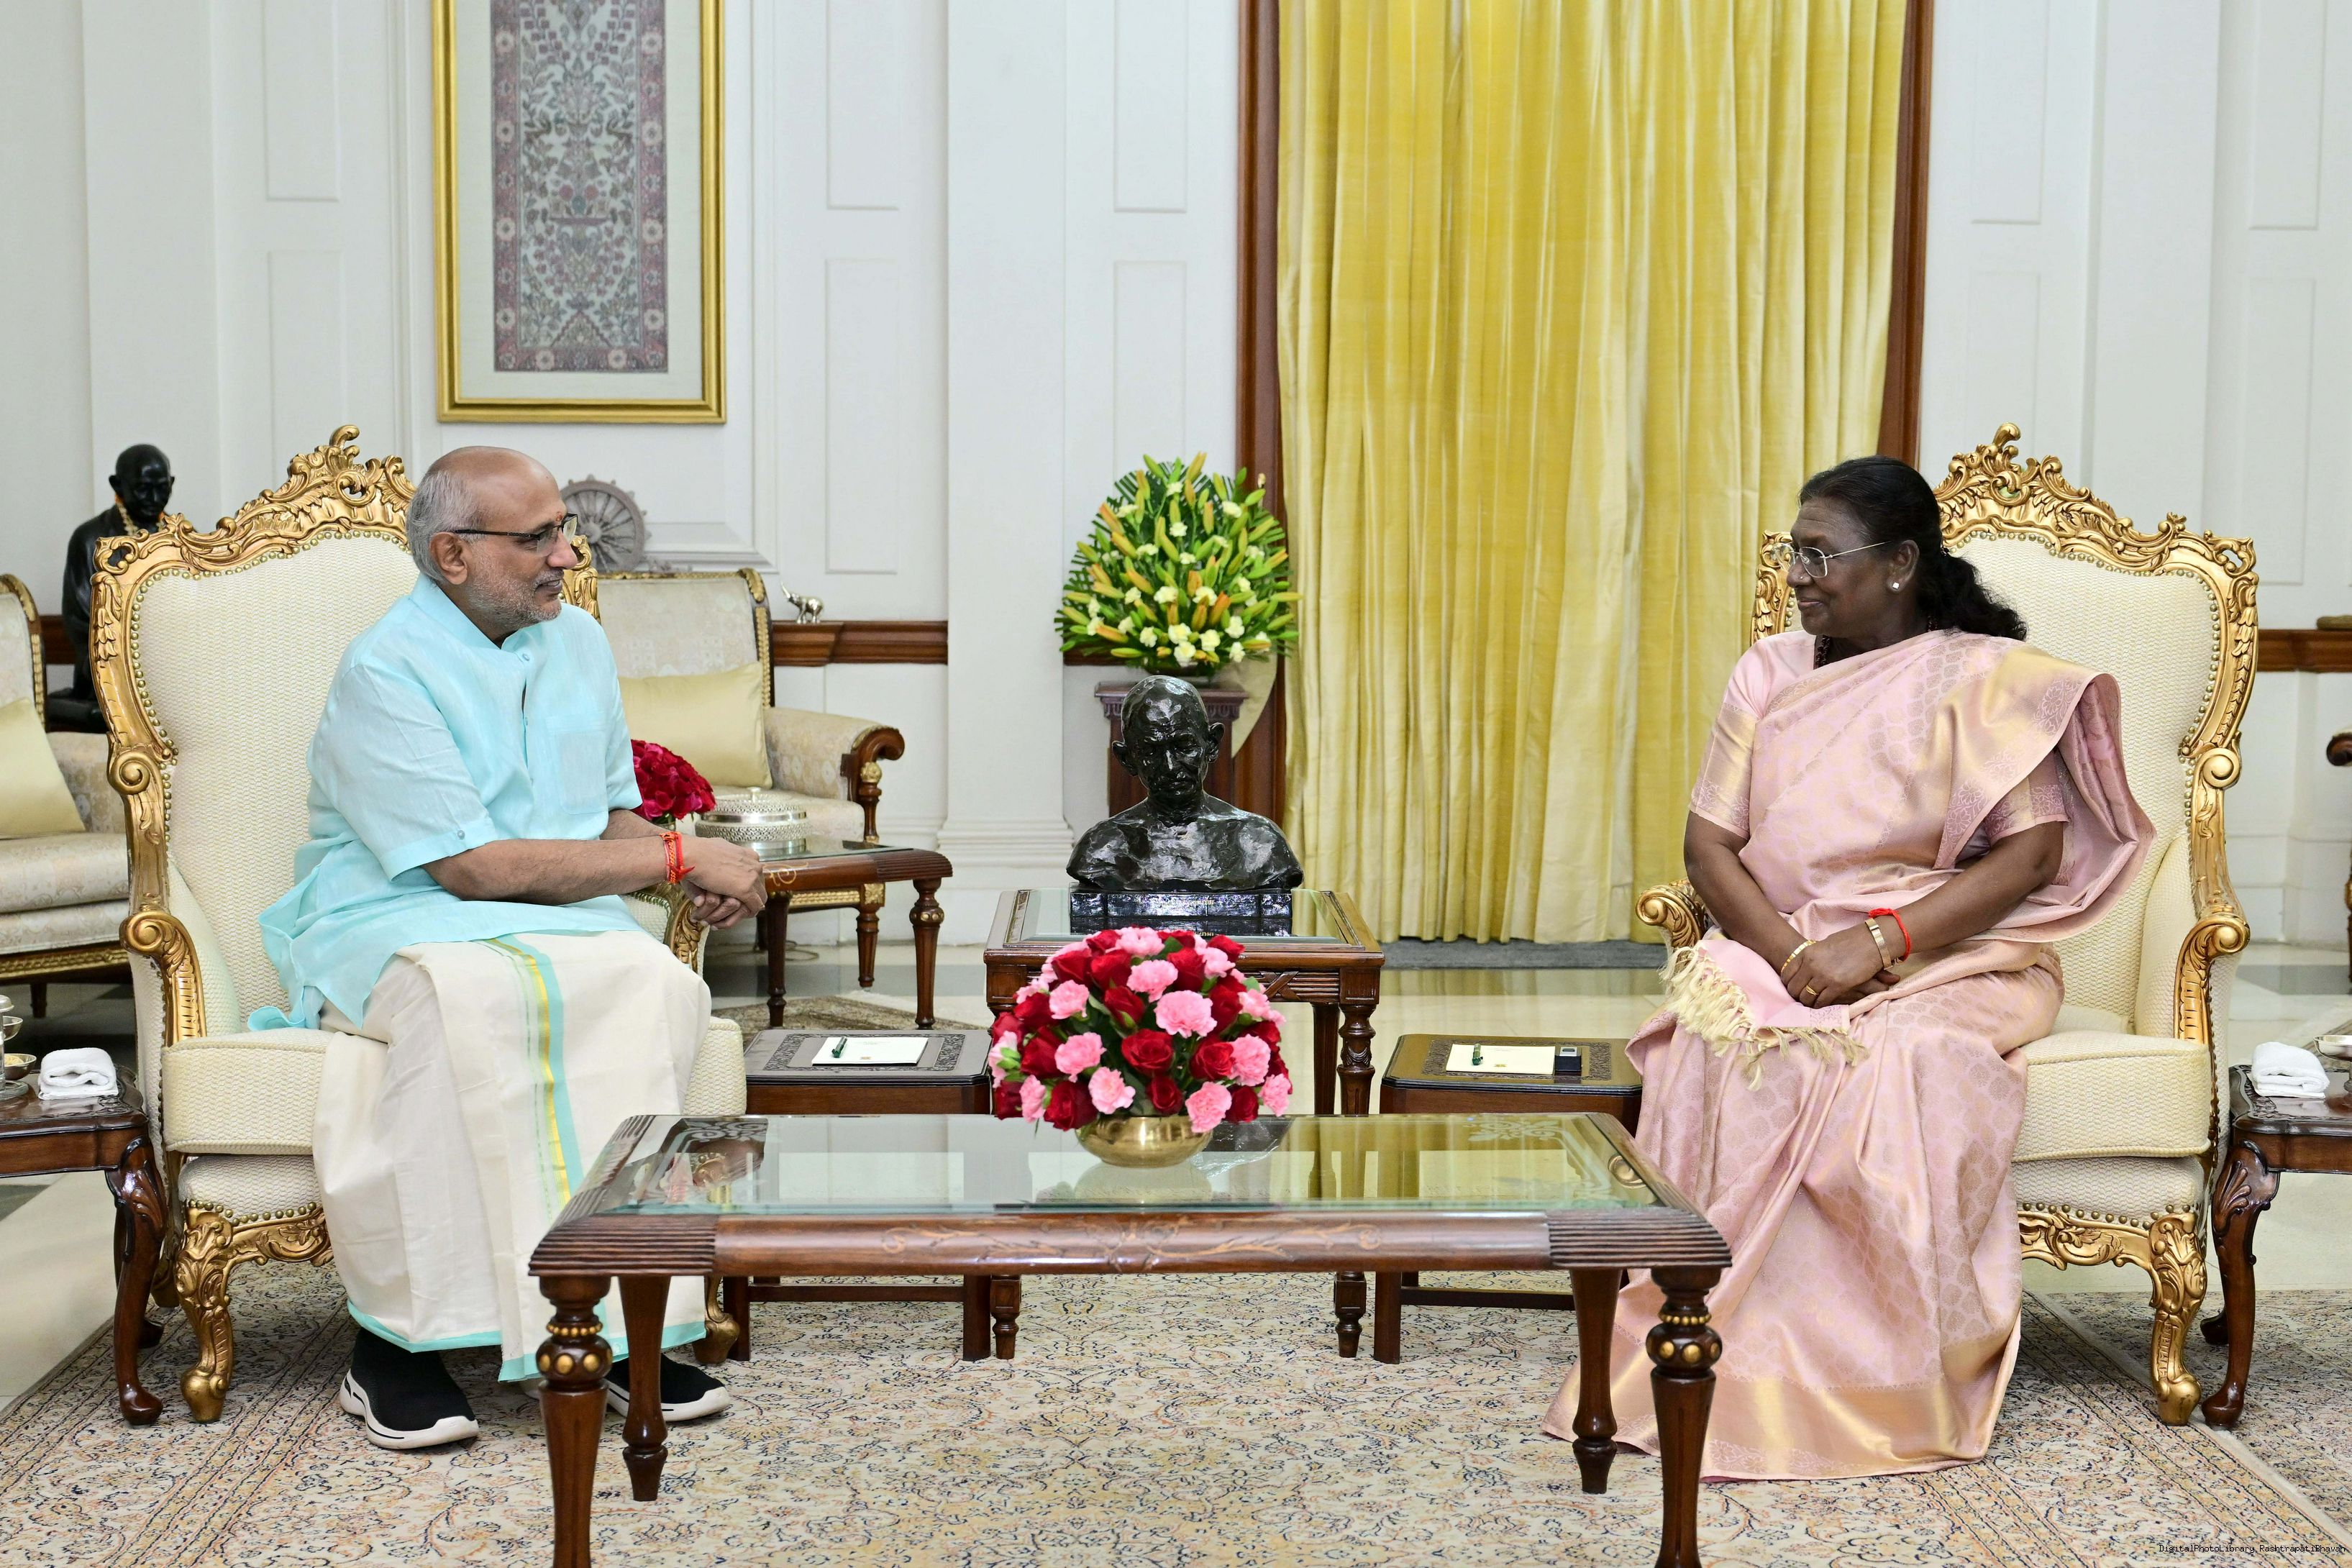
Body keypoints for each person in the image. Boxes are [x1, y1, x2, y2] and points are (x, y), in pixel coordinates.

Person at [1544, 455, 2150, 1478]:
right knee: (1721, 1043)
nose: (1798, 575)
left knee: (1904, 1065)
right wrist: (1791, 956)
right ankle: (1714, 1341)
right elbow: (1708, 847)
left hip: (1953, 956)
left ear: (1900, 563)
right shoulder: (1770, 671)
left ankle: (1878, 1380)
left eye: (1821, 555)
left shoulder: (1985, 682)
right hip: (1777, 945)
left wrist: (1878, 943)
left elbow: (2030, 856)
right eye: (1795, 553)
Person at [255, 446, 770, 1449]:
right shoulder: (385, 669)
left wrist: (685, 867)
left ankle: (623, 1322)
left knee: (654, 985)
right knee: (469, 1001)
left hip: (553, 916)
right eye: (537, 538)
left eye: (561, 531)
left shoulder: (578, 640)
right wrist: (676, 853)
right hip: (394, 914)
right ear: (453, 554)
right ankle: (396, 1347)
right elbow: (470, 869)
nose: (567, 555)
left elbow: (608, 816)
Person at [1068, 673, 1304, 891]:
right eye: (1151, 752)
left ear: (1211, 744)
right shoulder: (1101, 848)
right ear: (1127, 759)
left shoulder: (1259, 842)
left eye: (1184, 746)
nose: (1170, 767)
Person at [55, 444, 175, 731]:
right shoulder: (90, 539)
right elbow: (82, 622)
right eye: (143, 489)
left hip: (173, 664)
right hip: (111, 668)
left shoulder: (178, 536)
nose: (154, 499)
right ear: (117, 485)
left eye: (162, 488)